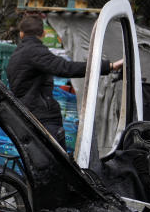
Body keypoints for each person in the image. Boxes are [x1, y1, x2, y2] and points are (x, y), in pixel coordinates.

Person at [6, 15, 122, 149]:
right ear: (43, 34)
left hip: (25, 114)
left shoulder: (16, 55)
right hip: (42, 117)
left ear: (21, 34)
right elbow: (66, 68)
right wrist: (109, 66)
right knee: (57, 163)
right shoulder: (35, 52)